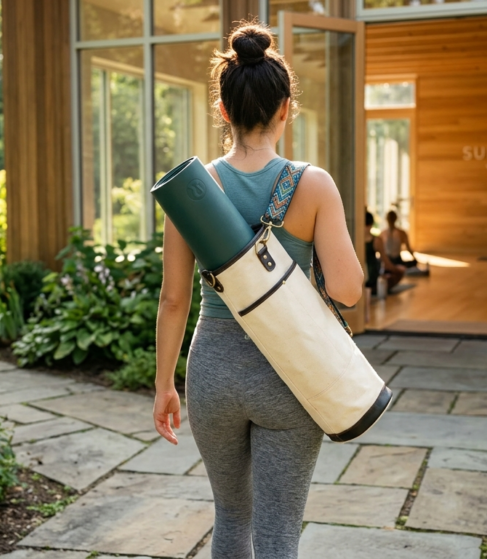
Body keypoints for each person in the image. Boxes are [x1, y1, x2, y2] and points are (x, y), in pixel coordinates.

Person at [152, 22, 364, 559]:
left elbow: (173, 299)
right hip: (290, 373)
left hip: (212, 373)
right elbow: (348, 290)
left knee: (231, 517)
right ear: (285, 108)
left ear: (223, 110)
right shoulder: (312, 184)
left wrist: (164, 386)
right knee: (277, 534)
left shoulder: (194, 192)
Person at [365, 211, 405, 296]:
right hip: (372, 280)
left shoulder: (353, 239)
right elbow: (387, 264)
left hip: (361, 278)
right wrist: (399, 270)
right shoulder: (377, 239)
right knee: (400, 270)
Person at [381, 210, 428, 275]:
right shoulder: (385, 233)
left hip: (394, 261)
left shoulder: (384, 233)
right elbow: (408, 249)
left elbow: (408, 249)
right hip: (390, 261)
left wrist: (415, 259)